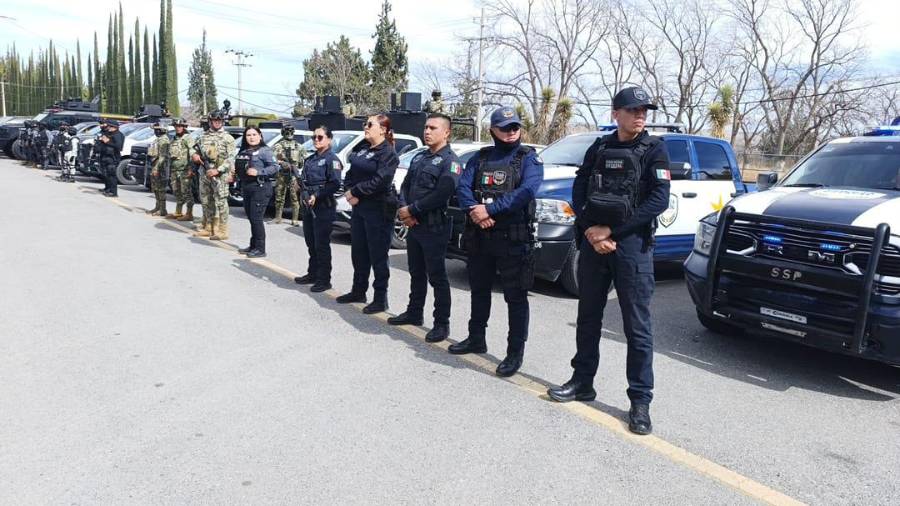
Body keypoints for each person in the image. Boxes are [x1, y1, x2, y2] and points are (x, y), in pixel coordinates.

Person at [547, 86, 671, 436]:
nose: (640, 115)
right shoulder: (600, 147)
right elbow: (580, 187)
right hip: (594, 244)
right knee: (588, 316)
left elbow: (658, 200)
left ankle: (640, 401)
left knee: (637, 326)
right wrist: (589, 228)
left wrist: (610, 231)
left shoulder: (654, 149)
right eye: (633, 110)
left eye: (644, 110)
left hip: (632, 246)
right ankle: (582, 381)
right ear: (615, 113)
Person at [451, 106, 543, 378]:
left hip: (512, 237)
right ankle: (476, 337)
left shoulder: (528, 158)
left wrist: (489, 211)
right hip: (481, 235)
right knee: (479, 290)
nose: (511, 132)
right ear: (493, 130)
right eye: (505, 127)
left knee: (515, 298)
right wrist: (475, 212)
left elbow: (526, 191)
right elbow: (463, 187)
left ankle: (514, 353)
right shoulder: (481, 158)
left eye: (515, 127)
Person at [388, 113, 461, 343]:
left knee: (437, 277)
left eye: (433, 128)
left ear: (446, 132)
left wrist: (413, 210)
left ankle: (441, 324)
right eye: (426, 127)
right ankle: (414, 312)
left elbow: (443, 193)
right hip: (415, 226)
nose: (427, 131)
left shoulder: (451, 161)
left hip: (435, 227)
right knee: (416, 272)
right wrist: (404, 209)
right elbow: (406, 186)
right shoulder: (420, 158)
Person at [336, 114, 400, 314]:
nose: (365, 127)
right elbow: (350, 174)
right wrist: (349, 192)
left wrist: (355, 192)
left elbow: (380, 181)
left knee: (378, 256)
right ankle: (358, 290)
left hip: (378, 209)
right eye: (366, 124)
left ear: (382, 129)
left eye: (369, 124)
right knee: (359, 252)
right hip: (360, 208)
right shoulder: (363, 149)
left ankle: (380, 298)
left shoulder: (388, 154)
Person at [293, 126, 343, 292]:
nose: (316, 140)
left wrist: (318, 195)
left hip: (323, 206)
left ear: (329, 139)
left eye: (320, 137)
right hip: (308, 205)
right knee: (311, 242)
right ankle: (312, 273)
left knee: (321, 244)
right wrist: (299, 187)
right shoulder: (310, 159)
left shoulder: (332, 159)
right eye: (314, 137)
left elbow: (335, 183)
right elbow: (305, 181)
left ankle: (324, 279)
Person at [192, 110, 236, 240]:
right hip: (204, 173)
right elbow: (194, 151)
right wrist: (194, 155)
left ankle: (222, 230)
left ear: (222, 121)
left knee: (221, 202)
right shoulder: (202, 136)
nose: (217, 123)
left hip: (220, 175)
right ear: (210, 121)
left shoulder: (228, 138)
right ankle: (208, 227)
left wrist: (218, 170)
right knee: (206, 201)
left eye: (219, 121)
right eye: (214, 121)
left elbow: (231, 158)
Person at [234, 126, 278, 258]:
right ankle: (253, 245)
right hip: (247, 187)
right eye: (248, 135)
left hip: (261, 187)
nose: (251, 137)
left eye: (254, 134)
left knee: (256, 218)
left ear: (260, 136)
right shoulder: (244, 151)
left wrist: (259, 172)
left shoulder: (265, 151)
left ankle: (260, 248)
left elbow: (275, 167)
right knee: (251, 217)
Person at [272, 123, 306, 225]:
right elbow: (272, 159)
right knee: (279, 196)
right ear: (283, 133)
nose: (289, 133)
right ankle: (278, 218)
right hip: (281, 174)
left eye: (291, 131)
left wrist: (296, 166)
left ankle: (294, 219)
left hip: (293, 175)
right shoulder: (278, 146)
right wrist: (281, 163)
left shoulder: (299, 147)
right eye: (287, 131)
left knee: (294, 197)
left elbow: (302, 162)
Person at [166, 118, 196, 222]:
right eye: (176, 126)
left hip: (185, 169)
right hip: (175, 169)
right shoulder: (174, 139)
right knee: (176, 191)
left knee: (186, 192)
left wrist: (191, 169)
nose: (178, 128)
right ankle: (178, 212)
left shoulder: (188, 138)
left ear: (184, 127)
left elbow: (193, 153)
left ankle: (189, 213)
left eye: (180, 126)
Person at [146, 123, 170, 216]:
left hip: (162, 168)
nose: (155, 131)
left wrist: (156, 169)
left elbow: (162, 157)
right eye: (155, 130)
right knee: (155, 188)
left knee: (161, 189)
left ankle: (163, 209)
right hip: (155, 165)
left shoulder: (164, 140)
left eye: (157, 129)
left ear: (162, 130)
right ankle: (158, 206)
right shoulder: (158, 139)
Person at [96, 120, 125, 197]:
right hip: (106, 156)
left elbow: (119, 147)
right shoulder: (110, 134)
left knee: (112, 175)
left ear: (114, 127)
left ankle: (113, 192)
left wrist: (107, 141)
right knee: (106, 174)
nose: (108, 127)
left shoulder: (118, 135)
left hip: (113, 158)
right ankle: (108, 189)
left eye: (109, 126)